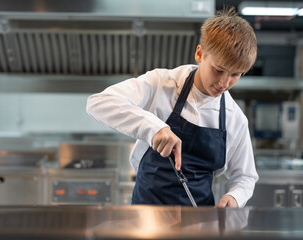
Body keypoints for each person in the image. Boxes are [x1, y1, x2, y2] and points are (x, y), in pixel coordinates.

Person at [86, 7, 259, 208]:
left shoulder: (234, 118)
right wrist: (154, 128)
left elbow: (245, 176)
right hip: (146, 215)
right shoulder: (162, 83)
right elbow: (99, 103)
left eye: (235, 75)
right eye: (218, 70)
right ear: (200, 54)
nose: (224, 82)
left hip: (199, 220)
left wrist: (235, 197)